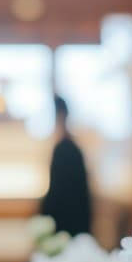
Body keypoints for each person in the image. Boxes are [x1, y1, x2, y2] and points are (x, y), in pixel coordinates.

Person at [40, 96, 92, 236]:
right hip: (75, 223)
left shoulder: (65, 150)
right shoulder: (71, 148)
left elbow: (59, 193)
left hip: (67, 225)